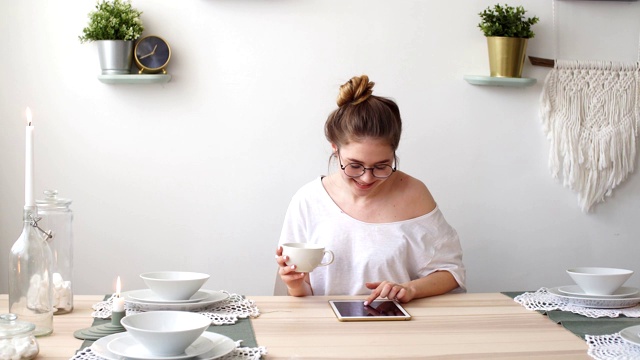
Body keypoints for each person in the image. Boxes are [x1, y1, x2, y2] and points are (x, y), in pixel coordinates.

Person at [275, 75, 465, 304]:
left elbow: (451, 273)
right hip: (326, 329)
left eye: (382, 166)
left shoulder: (414, 194)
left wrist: (409, 289)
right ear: (335, 149)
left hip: (396, 327)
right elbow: (301, 299)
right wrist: (295, 284)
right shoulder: (308, 200)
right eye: (354, 165)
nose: (367, 177)